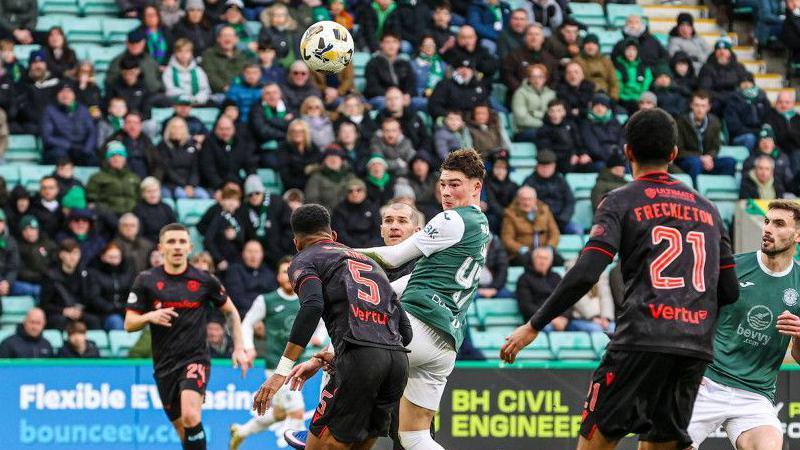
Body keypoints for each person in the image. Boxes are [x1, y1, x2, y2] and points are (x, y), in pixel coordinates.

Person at [501, 108, 739, 450]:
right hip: (693, 347)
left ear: (628, 152)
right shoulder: (709, 210)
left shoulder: (620, 200)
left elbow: (587, 272)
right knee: (660, 444)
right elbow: (729, 291)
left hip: (640, 339)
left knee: (596, 443)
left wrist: (535, 324)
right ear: (674, 154)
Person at [343, 149, 490, 450]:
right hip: (446, 343)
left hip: (418, 325)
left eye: (455, 184)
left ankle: (320, 429)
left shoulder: (452, 219)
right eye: (443, 184)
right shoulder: (481, 224)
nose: (446, 192)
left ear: (476, 186)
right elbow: (410, 281)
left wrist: (340, 253)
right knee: (415, 437)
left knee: (343, 355)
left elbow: (394, 257)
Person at [251, 204, 412, 450]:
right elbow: (405, 330)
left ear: (297, 243)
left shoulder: (305, 259)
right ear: (333, 235)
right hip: (397, 362)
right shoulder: (369, 263)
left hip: (360, 361)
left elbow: (312, 306)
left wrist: (281, 371)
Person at [124, 223, 250, 450]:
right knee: (183, 431)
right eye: (171, 242)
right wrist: (150, 316)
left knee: (191, 416)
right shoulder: (146, 280)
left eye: (182, 242)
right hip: (164, 365)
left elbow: (231, 312)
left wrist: (239, 347)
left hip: (195, 358)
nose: (177, 246)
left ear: (190, 247)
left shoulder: (204, 280)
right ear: (161, 247)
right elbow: (129, 323)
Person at [687, 200, 800, 450]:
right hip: (707, 381)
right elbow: (693, 318)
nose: (767, 229)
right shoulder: (733, 267)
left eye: (779, 224)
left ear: (798, 235)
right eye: (767, 221)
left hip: (755, 393)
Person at [229, 256, 308, 449]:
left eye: (292, 272)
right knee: (297, 412)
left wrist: (319, 336)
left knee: (280, 413)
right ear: (277, 276)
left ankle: (241, 432)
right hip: (277, 367)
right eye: (284, 272)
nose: (289, 276)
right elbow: (247, 323)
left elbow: (322, 323)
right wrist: (249, 348)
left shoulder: (307, 299)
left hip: (299, 365)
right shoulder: (266, 300)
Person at [39, 239, 101, 330]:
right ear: (61, 255)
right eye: (69, 253)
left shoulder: (84, 275)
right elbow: (44, 304)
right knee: (59, 321)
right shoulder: (50, 276)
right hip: (59, 313)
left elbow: (89, 299)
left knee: (93, 320)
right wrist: (63, 311)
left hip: (79, 312)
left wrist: (80, 310)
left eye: (76, 253)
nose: (73, 257)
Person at [675, 90, 736, 182]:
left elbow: (716, 147)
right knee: (695, 163)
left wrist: (709, 157)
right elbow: (679, 150)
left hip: (708, 160)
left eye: (703, 106)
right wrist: (701, 158)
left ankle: (719, 190)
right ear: (691, 105)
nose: (700, 109)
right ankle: (694, 191)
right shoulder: (681, 122)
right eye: (697, 105)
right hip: (688, 161)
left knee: (730, 162)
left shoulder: (714, 122)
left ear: (708, 107)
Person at [500, 185, 560, 266]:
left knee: (559, 261)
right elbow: (507, 239)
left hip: (544, 250)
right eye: (523, 199)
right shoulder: (510, 214)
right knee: (530, 262)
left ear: (535, 200)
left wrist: (549, 247)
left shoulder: (545, 210)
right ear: (518, 199)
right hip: (522, 253)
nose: (526, 203)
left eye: (529, 199)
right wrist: (523, 249)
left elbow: (555, 232)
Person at [40, 82, 97, 166]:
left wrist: (86, 149)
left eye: (69, 91)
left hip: (81, 148)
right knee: (60, 157)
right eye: (61, 91)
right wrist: (69, 146)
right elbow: (47, 137)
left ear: (74, 94)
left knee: (93, 159)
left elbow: (92, 132)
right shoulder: (49, 111)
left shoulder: (82, 109)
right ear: (56, 95)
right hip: (59, 149)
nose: (65, 95)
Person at [523, 149, 577, 234]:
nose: (545, 169)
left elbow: (570, 201)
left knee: (576, 230)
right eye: (543, 166)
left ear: (554, 166)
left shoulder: (561, 180)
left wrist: (563, 219)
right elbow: (524, 203)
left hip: (560, 220)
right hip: (538, 221)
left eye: (548, 166)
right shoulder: (529, 181)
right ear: (537, 166)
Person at [515, 247, 565, 329]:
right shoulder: (524, 279)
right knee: (548, 328)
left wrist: (565, 317)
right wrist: (550, 319)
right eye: (539, 258)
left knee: (587, 327)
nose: (542, 262)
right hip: (536, 320)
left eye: (545, 259)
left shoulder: (556, 277)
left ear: (550, 262)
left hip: (560, 319)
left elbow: (566, 298)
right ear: (533, 260)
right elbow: (526, 306)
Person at [224, 240, 277, 314]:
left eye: (257, 252)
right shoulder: (235, 270)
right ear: (243, 254)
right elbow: (236, 297)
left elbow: (274, 296)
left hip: (266, 313)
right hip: (243, 312)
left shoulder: (268, 272)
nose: (253, 255)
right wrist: (257, 311)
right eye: (249, 251)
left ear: (262, 254)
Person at [332, 178, 383, 248]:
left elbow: (378, 231)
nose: (355, 194)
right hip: (347, 247)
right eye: (350, 191)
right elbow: (340, 233)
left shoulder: (372, 207)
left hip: (371, 247)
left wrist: (369, 247)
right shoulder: (339, 209)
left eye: (359, 190)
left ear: (365, 192)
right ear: (346, 194)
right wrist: (358, 248)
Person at [14, 215, 55, 298]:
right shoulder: (18, 247)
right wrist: (40, 276)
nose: (29, 233)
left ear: (37, 229)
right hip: (28, 283)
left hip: (48, 281)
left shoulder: (48, 244)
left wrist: (47, 275)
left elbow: (55, 263)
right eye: (25, 230)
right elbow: (20, 270)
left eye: (32, 229)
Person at [132, 177, 178, 244]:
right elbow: (139, 235)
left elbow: (174, 229)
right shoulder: (138, 209)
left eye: (155, 191)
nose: (152, 194)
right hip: (146, 244)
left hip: (166, 243)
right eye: (148, 191)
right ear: (143, 194)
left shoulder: (167, 208)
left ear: (159, 192)